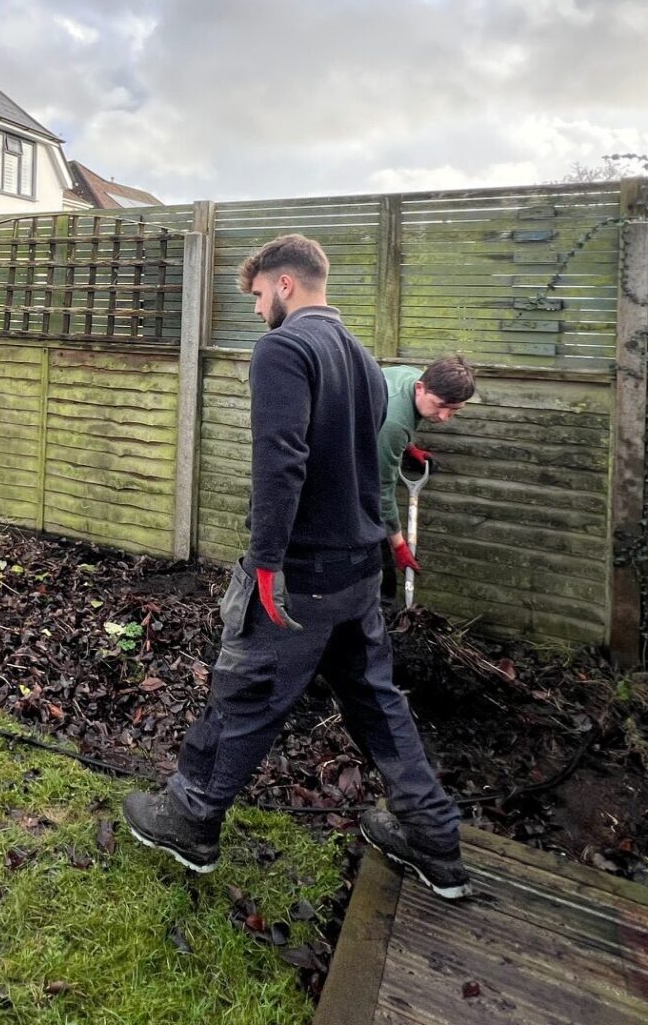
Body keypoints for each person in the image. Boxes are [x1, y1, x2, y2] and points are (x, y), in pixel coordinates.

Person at [122, 234, 469, 898]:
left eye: (256, 295)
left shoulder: (284, 349)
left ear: (285, 283)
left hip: (301, 575)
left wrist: (265, 563)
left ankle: (190, 818)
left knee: (246, 689)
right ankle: (434, 839)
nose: (255, 310)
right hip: (358, 575)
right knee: (375, 703)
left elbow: (281, 462)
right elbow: (367, 469)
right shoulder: (366, 362)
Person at [376, 356, 477, 591]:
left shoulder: (412, 377)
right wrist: (399, 545)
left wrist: (408, 447)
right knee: (376, 558)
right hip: (329, 467)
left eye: (454, 411)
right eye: (440, 406)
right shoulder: (393, 424)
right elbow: (381, 490)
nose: (444, 418)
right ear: (421, 388)